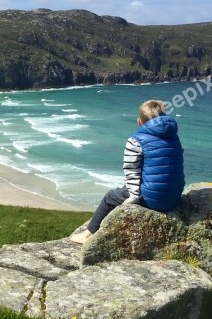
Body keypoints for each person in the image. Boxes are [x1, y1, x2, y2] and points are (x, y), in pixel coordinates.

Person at [70, 99, 185, 244]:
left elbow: (131, 171)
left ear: (139, 122)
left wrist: (134, 197)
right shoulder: (174, 137)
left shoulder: (136, 140)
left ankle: (88, 235)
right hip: (174, 198)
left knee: (110, 197)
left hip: (152, 199)